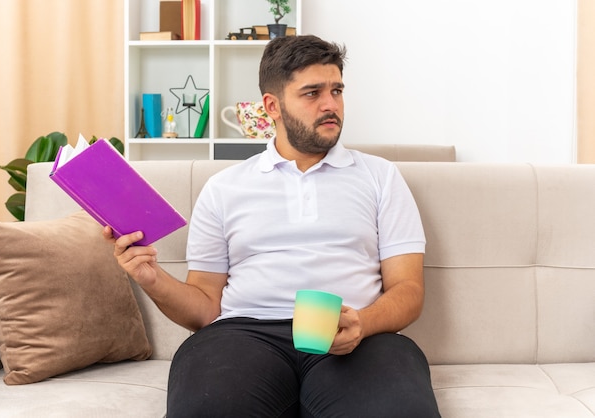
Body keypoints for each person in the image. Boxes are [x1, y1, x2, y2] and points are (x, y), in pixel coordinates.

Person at [105, 35, 441, 418]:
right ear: (272, 106)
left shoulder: (381, 177)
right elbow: (202, 308)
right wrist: (150, 277)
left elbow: (409, 289)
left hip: (357, 334)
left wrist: (363, 323)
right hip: (243, 336)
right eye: (312, 93)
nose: (331, 105)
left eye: (337, 90)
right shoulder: (224, 188)